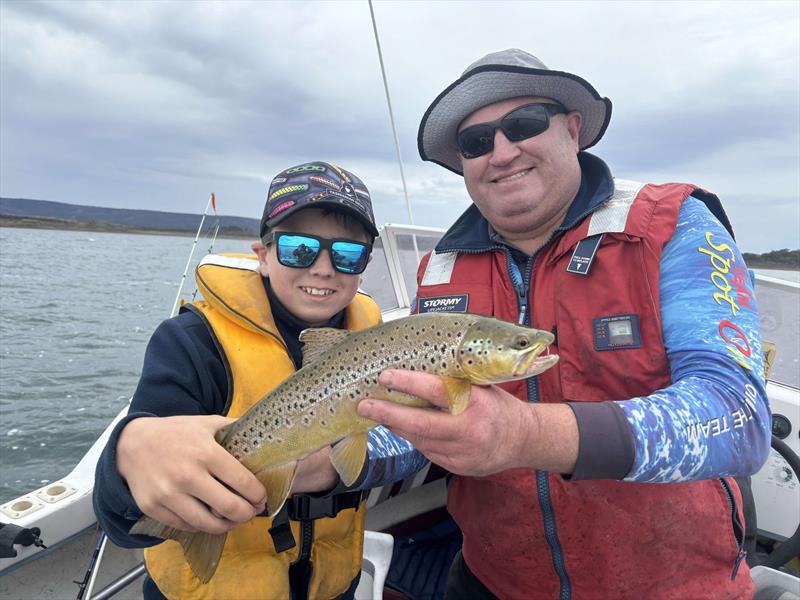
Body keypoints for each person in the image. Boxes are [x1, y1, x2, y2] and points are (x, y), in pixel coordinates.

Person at [357, 49, 772, 599]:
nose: (501, 152)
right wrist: (333, 461)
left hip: (673, 587)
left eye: (523, 124)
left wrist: (530, 435)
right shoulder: (440, 270)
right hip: (490, 581)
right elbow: (427, 425)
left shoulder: (672, 225)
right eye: (476, 142)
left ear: (573, 129)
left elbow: (738, 418)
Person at [93, 161, 425, 600]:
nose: (323, 268)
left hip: (332, 585)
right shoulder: (192, 344)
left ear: (363, 266)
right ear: (263, 255)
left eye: (347, 254)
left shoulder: (379, 341)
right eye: (299, 249)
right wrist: (129, 457)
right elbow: (121, 519)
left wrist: (330, 471)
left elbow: (417, 438)